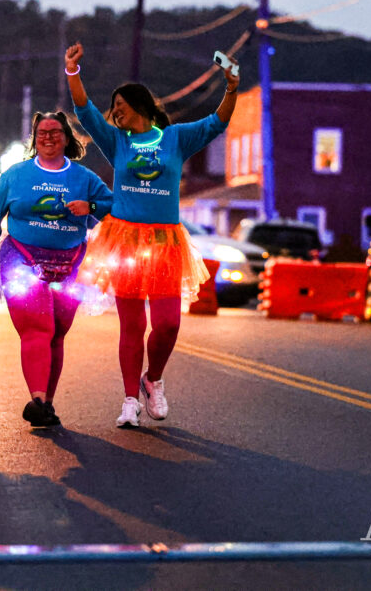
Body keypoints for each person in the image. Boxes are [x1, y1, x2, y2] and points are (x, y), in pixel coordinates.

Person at [64, 42, 240, 427]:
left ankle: (153, 379)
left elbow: (217, 123)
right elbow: (85, 111)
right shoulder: (118, 142)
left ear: (139, 106)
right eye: (114, 110)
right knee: (131, 326)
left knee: (168, 324)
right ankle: (130, 399)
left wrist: (231, 88)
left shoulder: (175, 138)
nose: (115, 114)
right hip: (124, 241)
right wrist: (73, 72)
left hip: (164, 243)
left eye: (121, 107)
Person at [0, 111, 113, 427]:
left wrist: (91, 207)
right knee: (38, 329)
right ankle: (36, 398)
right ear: (35, 139)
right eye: (41, 132)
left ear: (67, 137)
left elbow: (115, 207)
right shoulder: (15, 175)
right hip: (21, 261)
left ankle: (46, 403)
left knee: (57, 334)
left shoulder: (84, 178)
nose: (47, 137)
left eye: (54, 131)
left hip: (71, 264)